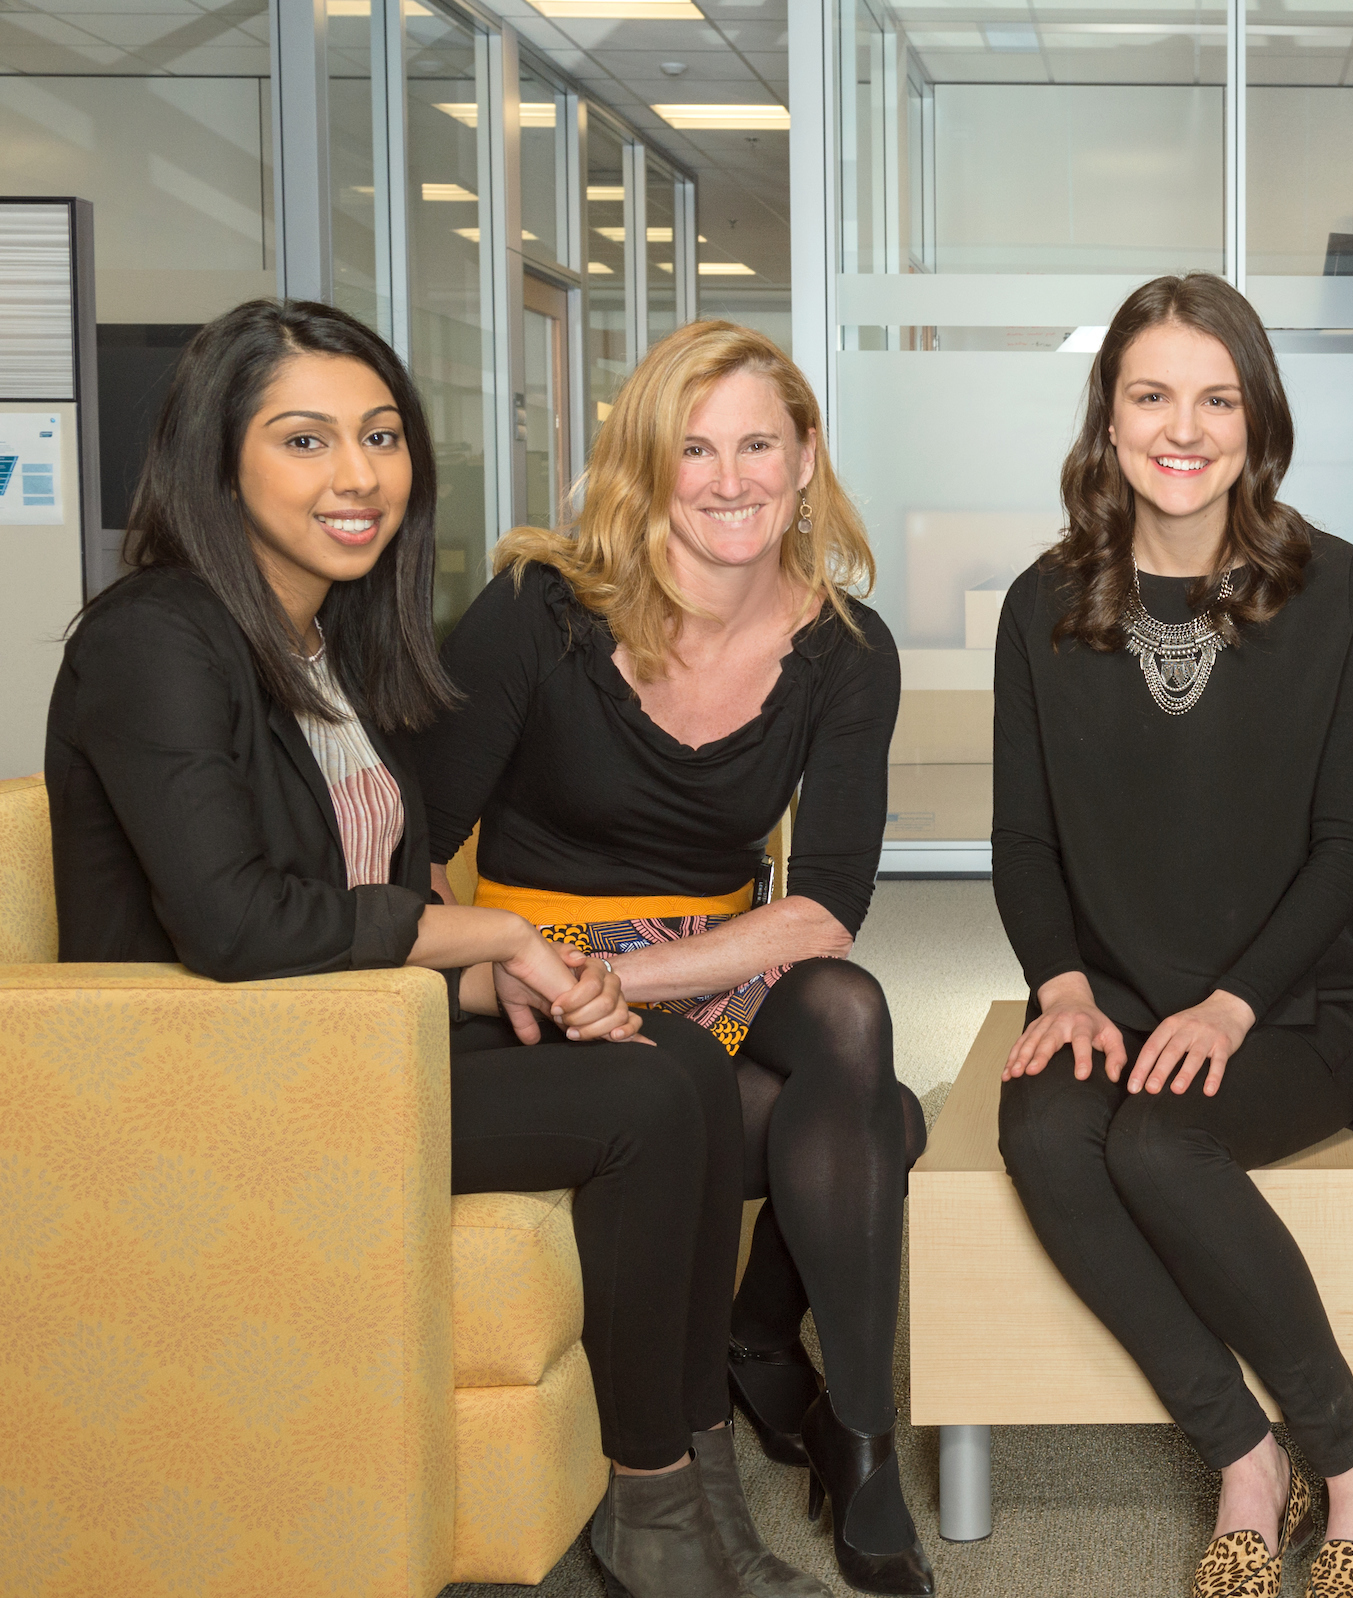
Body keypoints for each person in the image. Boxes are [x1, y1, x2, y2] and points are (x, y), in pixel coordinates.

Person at [45, 299, 783, 1598]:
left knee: (683, 1063)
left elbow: (363, 884)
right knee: (638, 1104)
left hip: (345, 1038)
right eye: (306, 439)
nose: (357, 474)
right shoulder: (153, 637)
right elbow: (235, 919)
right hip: (225, 1077)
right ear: (220, 457)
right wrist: (499, 929)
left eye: (380, 437)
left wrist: (504, 979)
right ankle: (658, 1514)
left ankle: (694, 1492)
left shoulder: (323, 642)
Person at [411, 319, 929, 1596]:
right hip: (526, 953)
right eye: (694, 447)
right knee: (880, 1121)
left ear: (807, 457)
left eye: (759, 442)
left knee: (850, 1018)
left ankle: (858, 1441)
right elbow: (407, 843)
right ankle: (771, 1362)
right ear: (648, 464)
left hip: (710, 952)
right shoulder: (542, 610)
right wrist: (528, 964)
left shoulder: (847, 649)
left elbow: (824, 908)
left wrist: (627, 978)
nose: (730, 476)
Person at [990, 273, 1353, 1598]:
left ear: (1257, 417)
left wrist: (1231, 1003)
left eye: (1217, 397)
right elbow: (1025, 839)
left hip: (1288, 1007)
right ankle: (1242, 1451)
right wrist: (1061, 984)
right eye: (1152, 394)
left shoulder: (1337, 590)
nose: (1185, 428)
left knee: (1157, 1140)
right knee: (1048, 1126)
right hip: (1110, 993)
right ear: (1108, 419)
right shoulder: (1042, 604)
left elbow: (1349, 844)